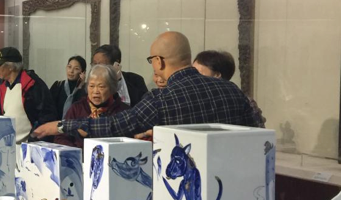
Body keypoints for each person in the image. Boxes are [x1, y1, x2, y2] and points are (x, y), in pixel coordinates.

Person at [34, 32, 258, 140]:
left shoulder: (162, 99)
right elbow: (254, 133)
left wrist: (61, 126)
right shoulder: (231, 90)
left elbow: (114, 125)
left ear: (159, 61)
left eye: (152, 60)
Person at [55, 64, 129, 148]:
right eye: (91, 86)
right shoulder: (77, 108)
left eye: (101, 87)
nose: (95, 91)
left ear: (112, 88)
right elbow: (60, 137)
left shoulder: (123, 111)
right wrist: (77, 151)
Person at [0, 47, 56, 143]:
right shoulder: (3, 87)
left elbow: (47, 115)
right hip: (10, 145)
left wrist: (33, 139)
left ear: (10, 67)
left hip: (29, 145)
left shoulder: (33, 85)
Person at [193, 50, 266, 127]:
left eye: (199, 73)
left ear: (217, 75)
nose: (193, 77)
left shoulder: (244, 101)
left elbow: (258, 130)